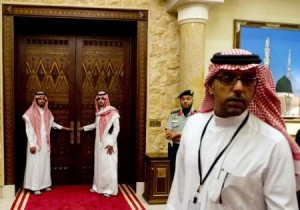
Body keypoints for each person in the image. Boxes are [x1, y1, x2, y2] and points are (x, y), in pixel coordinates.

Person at [166, 49, 300, 210]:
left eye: (248, 79)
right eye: (227, 78)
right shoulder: (193, 126)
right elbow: (178, 194)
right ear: (210, 86)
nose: (238, 87)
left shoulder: (273, 144)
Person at [23, 91, 72, 196]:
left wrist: (62, 127)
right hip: (35, 143)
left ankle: (44, 185)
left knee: (44, 163)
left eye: (43, 99)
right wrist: (32, 144)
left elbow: (51, 123)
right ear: (36, 100)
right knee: (36, 163)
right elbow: (29, 129)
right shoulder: (30, 113)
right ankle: (35, 186)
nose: (41, 100)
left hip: (45, 142)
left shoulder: (47, 112)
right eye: (39, 99)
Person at [79, 91, 120, 197]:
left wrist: (111, 143)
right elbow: (96, 125)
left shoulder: (113, 112)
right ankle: (98, 187)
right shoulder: (99, 113)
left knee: (109, 166)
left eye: (103, 99)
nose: (101, 101)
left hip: (109, 143)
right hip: (99, 143)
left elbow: (117, 128)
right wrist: (84, 128)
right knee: (100, 164)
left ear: (106, 100)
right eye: (99, 99)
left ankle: (109, 190)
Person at [165, 90, 198, 180]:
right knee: (175, 176)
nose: (185, 101)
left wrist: (177, 133)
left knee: (190, 177)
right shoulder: (174, 116)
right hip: (176, 149)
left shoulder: (198, 116)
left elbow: (197, 134)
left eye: (188, 98)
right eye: (183, 99)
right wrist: (187, 134)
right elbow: (168, 134)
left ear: (192, 100)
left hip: (191, 150)